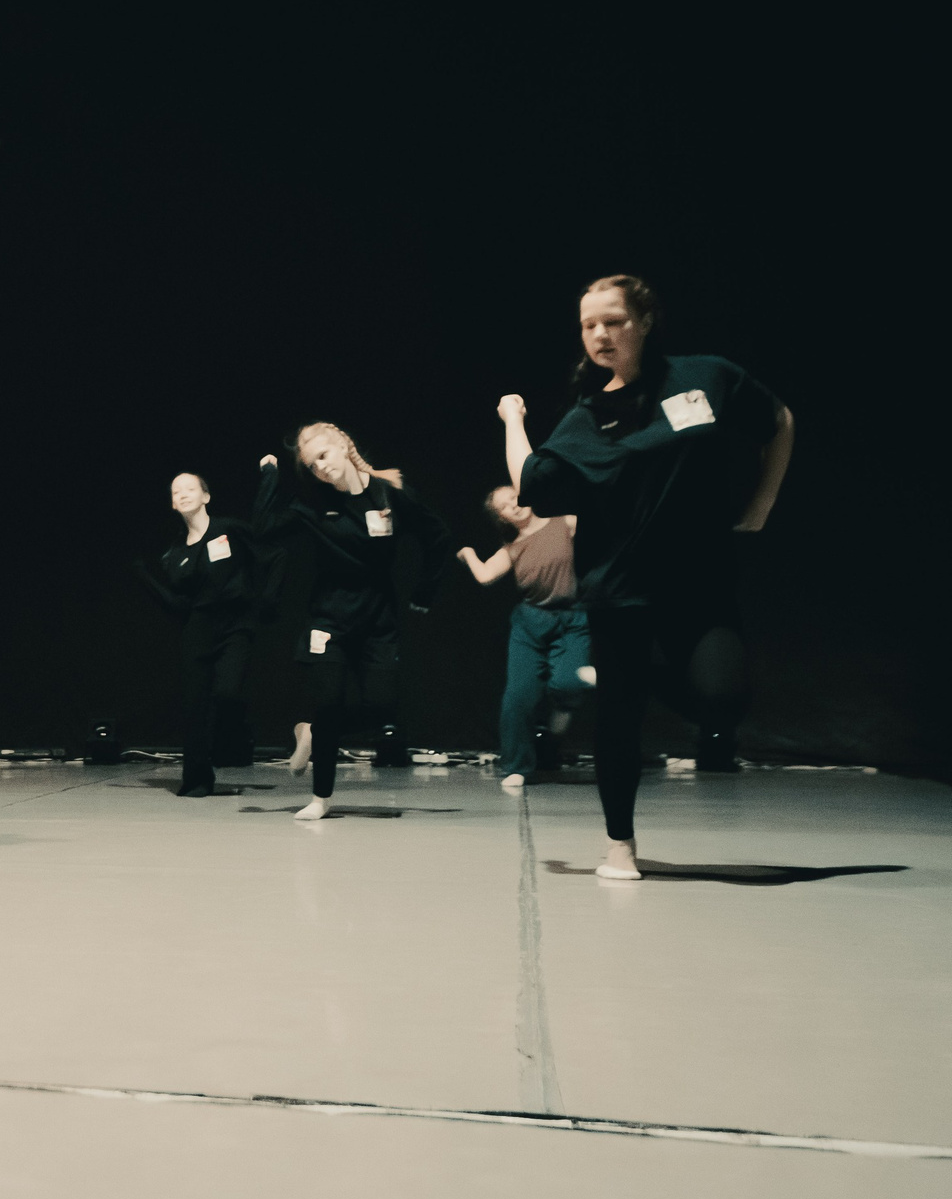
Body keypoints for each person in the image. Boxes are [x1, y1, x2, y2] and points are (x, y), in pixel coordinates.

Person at [504, 274, 794, 880]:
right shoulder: (587, 417)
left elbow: (779, 420)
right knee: (620, 717)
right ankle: (620, 847)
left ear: (645, 320)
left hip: (699, 578)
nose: (600, 335)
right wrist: (512, 418)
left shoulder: (705, 376)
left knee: (723, 703)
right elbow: (532, 482)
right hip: (620, 587)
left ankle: (617, 679)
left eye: (613, 321)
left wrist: (762, 504)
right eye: (588, 325)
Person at [253, 423, 453, 820]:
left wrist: (424, 592)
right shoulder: (313, 504)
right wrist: (270, 475)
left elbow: (438, 536)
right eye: (312, 465)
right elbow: (263, 529)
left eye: (323, 456)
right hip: (328, 620)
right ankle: (321, 799)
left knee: (381, 706)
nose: (320, 467)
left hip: (378, 620)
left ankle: (312, 732)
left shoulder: (389, 492)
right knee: (328, 703)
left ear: (344, 446)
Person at [134, 472, 271, 797]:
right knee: (194, 705)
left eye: (189, 488)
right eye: (176, 491)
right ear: (172, 503)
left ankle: (233, 750)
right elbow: (177, 604)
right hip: (198, 630)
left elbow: (268, 552)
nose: (182, 494)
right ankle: (197, 779)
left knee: (227, 692)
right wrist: (144, 577)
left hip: (235, 626)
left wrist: (263, 601)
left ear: (206, 496)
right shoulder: (175, 553)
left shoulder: (229, 529)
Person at [457, 488, 588, 791]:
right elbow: (485, 576)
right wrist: (469, 554)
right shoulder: (512, 548)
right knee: (517, 698)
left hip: (572, 618)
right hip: (530, 623)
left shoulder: (564, 523)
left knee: (568, 684)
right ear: (502, 518)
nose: (513, 506)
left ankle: (554, 732)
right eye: (504, 507)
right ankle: (518, 767)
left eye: (513, 497)